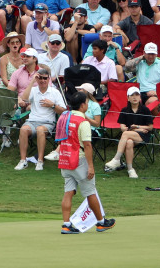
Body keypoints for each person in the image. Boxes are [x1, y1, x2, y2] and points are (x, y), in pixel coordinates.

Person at [57, 91, 115, 234]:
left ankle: (66, 224)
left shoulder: (63, 117)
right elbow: (87, 145)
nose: (87, 104)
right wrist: (90, 166)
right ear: (82, 105)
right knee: (90, 192)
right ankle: (101, 222)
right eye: (87, 103)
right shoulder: (83, 122)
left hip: (65, 158)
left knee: (68, 191)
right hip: (79, 159)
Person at [16, 67, 65, 170]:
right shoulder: (33, 90)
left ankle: (40, 161)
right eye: (40, 78)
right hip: (32, 121)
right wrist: (32, 81)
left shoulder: (55, 92)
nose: (42, 80)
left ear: (48, 79)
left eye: (45, 78)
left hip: (47, 122)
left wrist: (52, 105)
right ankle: (23, 160)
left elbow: (63, 111)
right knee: (23, 129)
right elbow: (24, 98)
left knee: (40, 130)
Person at [105, 86, 154, 179]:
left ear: (140, 97)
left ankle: (116, 159)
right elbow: (122, 127)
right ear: (128, 97)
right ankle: (130, 169)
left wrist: (137, 127)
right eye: (132, 95)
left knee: (126, 134)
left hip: (143, 135)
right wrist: (135, 129)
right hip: (131, 135)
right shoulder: (124, 110)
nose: (135, 97)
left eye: (137, 95)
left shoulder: (145, 110)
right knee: (129, 142)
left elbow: (150, 127)